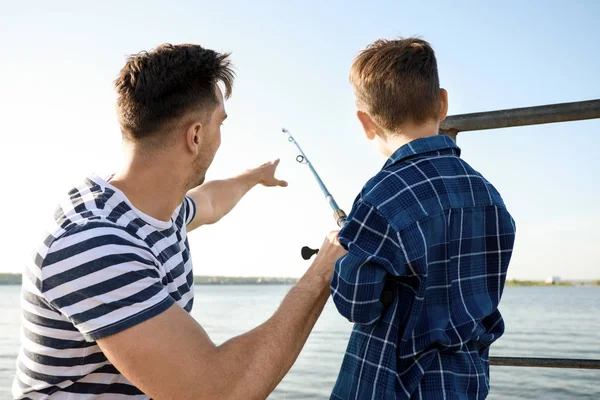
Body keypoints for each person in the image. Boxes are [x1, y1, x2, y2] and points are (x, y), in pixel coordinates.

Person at [13, 43, 346, 400]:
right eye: (220, 123)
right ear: (196, 135)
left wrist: (253, 177)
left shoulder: (153, 209)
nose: (221, 137)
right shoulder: (93, 244)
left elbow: (210, 202)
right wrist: (322, 272)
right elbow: (217, 392)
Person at [329, 38, 517, 399]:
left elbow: (356, 302)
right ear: (443, 102)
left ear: (365, 123)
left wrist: (342, 252)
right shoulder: (490, 196)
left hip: (396, 383)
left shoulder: (381, 195)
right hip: (466, 380)